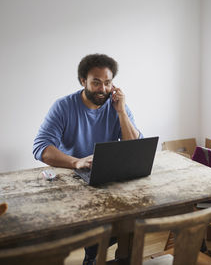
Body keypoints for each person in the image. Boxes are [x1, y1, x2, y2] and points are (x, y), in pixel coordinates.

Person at [32, 53, 142, 265]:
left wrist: (121, 113)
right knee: (98, 225)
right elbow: (41, 148)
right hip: (75, 182)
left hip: (109, 179)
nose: (103, 89)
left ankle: (122, 255)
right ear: (83, 81)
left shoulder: (116, 104)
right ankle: (93, 257)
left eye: (108, 83)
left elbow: (134, 145)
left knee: (136, 218)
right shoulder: (63, 106)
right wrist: (76, 162)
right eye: (96, 82)